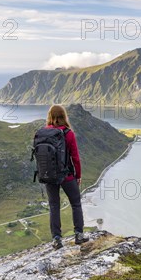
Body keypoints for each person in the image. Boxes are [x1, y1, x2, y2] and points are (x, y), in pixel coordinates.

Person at [44, 104, 87, 249]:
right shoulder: (68, 133)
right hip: (66, 175)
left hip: (48, 176)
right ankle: (79, 236)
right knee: (75, 204)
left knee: (54, 206)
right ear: (64, 116)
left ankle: (56, 239)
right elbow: (75, 157)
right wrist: (78, 175)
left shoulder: (43, 133)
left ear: (50, 116)